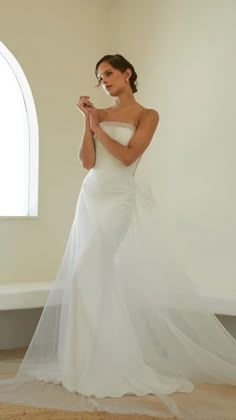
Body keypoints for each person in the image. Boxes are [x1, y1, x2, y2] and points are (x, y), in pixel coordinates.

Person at [1, 54, 236, 420]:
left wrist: (97, 127)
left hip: (119, 199)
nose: (104, 81)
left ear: (127, 73)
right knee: (86, 277)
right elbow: (87, 162)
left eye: (109, 73)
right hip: (92, 194)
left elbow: (128, 157)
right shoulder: (99, 116)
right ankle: (83, 365)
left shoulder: (147, 115)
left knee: (88, 272)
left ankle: (110, 363)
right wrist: (88, 122)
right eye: (99, 77)